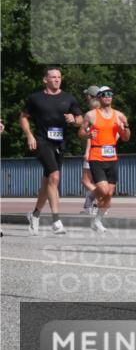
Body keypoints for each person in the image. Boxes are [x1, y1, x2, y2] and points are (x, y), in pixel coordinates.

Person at [20, 66, 83, 235]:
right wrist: (29, 135)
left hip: (59, 143)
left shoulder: (68, 98)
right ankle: (56, 221)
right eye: (53, 77)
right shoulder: (36, 98)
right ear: (45, 80)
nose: (57, 79)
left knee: (48, 182)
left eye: (59, 77)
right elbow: (23, 117)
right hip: (42, 141)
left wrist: (74, 119)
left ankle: (34, 215)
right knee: (54, 177)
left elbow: (80, 119)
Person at [78, 86, 130, 234]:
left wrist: (125, 125)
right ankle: (92, 198)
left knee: (109, 194)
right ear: (99, 97)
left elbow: (126, 138)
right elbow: (81, 132)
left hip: (112, 156)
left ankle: (97, 221)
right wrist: (87, 135)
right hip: (96, 156)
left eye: (110, 94)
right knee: (103, 190)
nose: (108, 97)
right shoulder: (91, 115)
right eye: (105, 94)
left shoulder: (118, 115)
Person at [79, 85, 101, 216]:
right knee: (95, 181)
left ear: (91, 96)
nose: (85, 97)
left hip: (93, 151)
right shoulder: (106, 112)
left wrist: (87, 152)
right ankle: (89, 206)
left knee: (86, 181)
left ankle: (102, 201)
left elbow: (89, 136)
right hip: (105, 151)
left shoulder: (91, 114)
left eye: (87, 95)